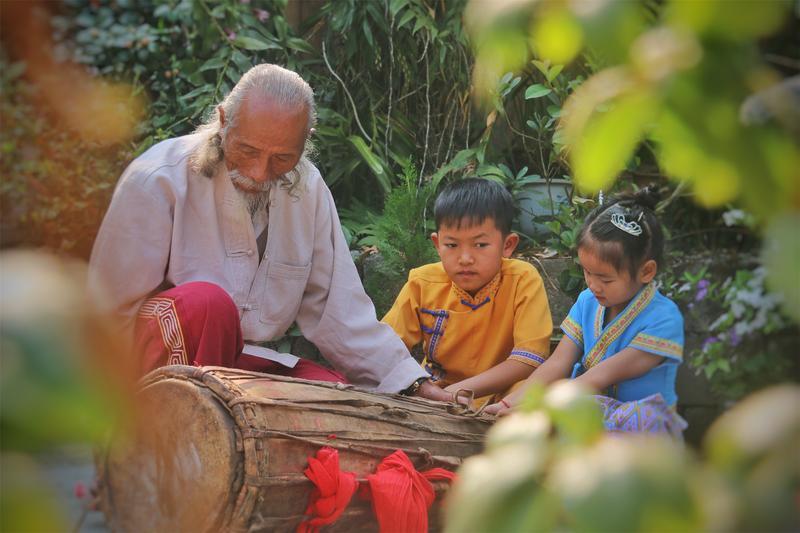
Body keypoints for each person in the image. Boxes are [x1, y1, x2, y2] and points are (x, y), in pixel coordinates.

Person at [89, 63, 449, 400]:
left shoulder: (307, 188)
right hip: (145, 370)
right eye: (247, 150)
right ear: (223, 121)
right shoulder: (158, 178)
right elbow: (106, 316)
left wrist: (412, 383)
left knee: (337, 399)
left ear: (305, 141)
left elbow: (339, 311)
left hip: (236, 365)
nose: (260, 173)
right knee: (208, 305)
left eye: (281, 158)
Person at [484, 188, 686, 436]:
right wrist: (512, 401)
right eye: (587, 272)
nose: (592, 284)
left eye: (605, 278)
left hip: (642, 428)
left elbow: (599, 376)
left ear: (646, 271)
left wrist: (537, 407)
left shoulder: (665, 318)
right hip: (593, 410)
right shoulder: (587, 301)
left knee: (631, 415)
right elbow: (558, 362)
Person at [382, 178, 553, 406]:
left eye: (480, 245)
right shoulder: (422, 283)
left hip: (500, 396)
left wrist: (454, 393)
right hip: (433, 395)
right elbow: (387, 349)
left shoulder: (522, 280)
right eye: (452, 245)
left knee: (535, 391)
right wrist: (424, 390)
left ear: (508, 245)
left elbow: (528, 360)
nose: (465, 259)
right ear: (437, 244)